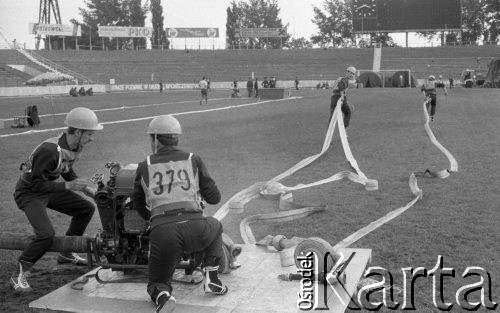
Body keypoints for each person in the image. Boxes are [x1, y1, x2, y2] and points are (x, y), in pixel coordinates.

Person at [133, 115, 228, 312]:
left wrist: (153, 224)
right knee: (216, 226)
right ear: (177, 138)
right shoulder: (193, 159)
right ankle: (212, 276)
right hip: (197, 228)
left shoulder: (144, 165)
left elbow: (139, 204)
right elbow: (214, 198)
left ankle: (163, 296)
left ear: (154, 139)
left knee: (157, 282)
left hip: (164, 233)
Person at [10, 107, 102, 293]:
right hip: (29, 193)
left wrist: (85, 189)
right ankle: (18, 273)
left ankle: (66, 254)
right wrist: (67, 186)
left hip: (46, 189)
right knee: (46, 234)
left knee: (85, 209)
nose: (92, 138)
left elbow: (65, 169)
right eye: (90, 134)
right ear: (77, 132)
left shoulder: (75, 146)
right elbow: (36, 186)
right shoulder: (50, 150)